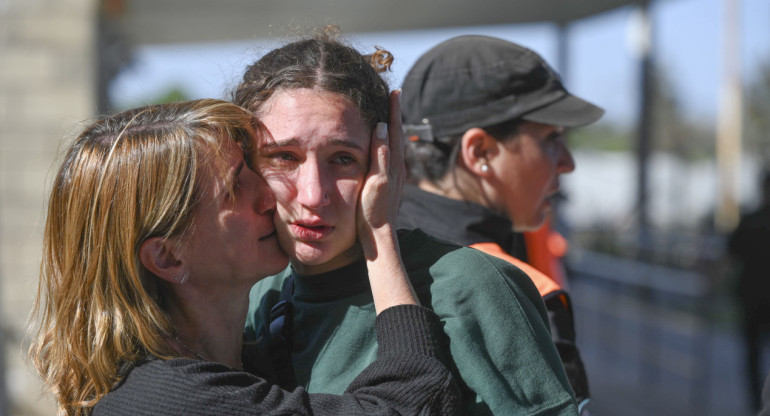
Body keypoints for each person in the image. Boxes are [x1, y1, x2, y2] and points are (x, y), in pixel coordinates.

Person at [27, 99, 460, 415]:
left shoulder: (245, 358)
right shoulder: (172, 399)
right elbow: (413, 405)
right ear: (168, 257)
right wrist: (379, 235)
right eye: (236, 187)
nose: (270, 197)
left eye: (258, 168)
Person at [234, 29, 579, 415]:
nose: (314, 194)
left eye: (343, 158)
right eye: (283, 157)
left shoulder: (471, 288)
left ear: (388, 156)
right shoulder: (255, 294)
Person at [397, 35, 604, 413]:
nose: (568, 162)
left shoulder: (356, 248)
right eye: (551, 138)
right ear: (480, 153)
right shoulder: (515, 289)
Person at [728, 170, 770, 412]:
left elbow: (728, 258)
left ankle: (756, 406)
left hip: (751, 301)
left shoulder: (750, 220)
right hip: (752, 301)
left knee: (752, 361)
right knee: (752, 361)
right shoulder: (750, 221)